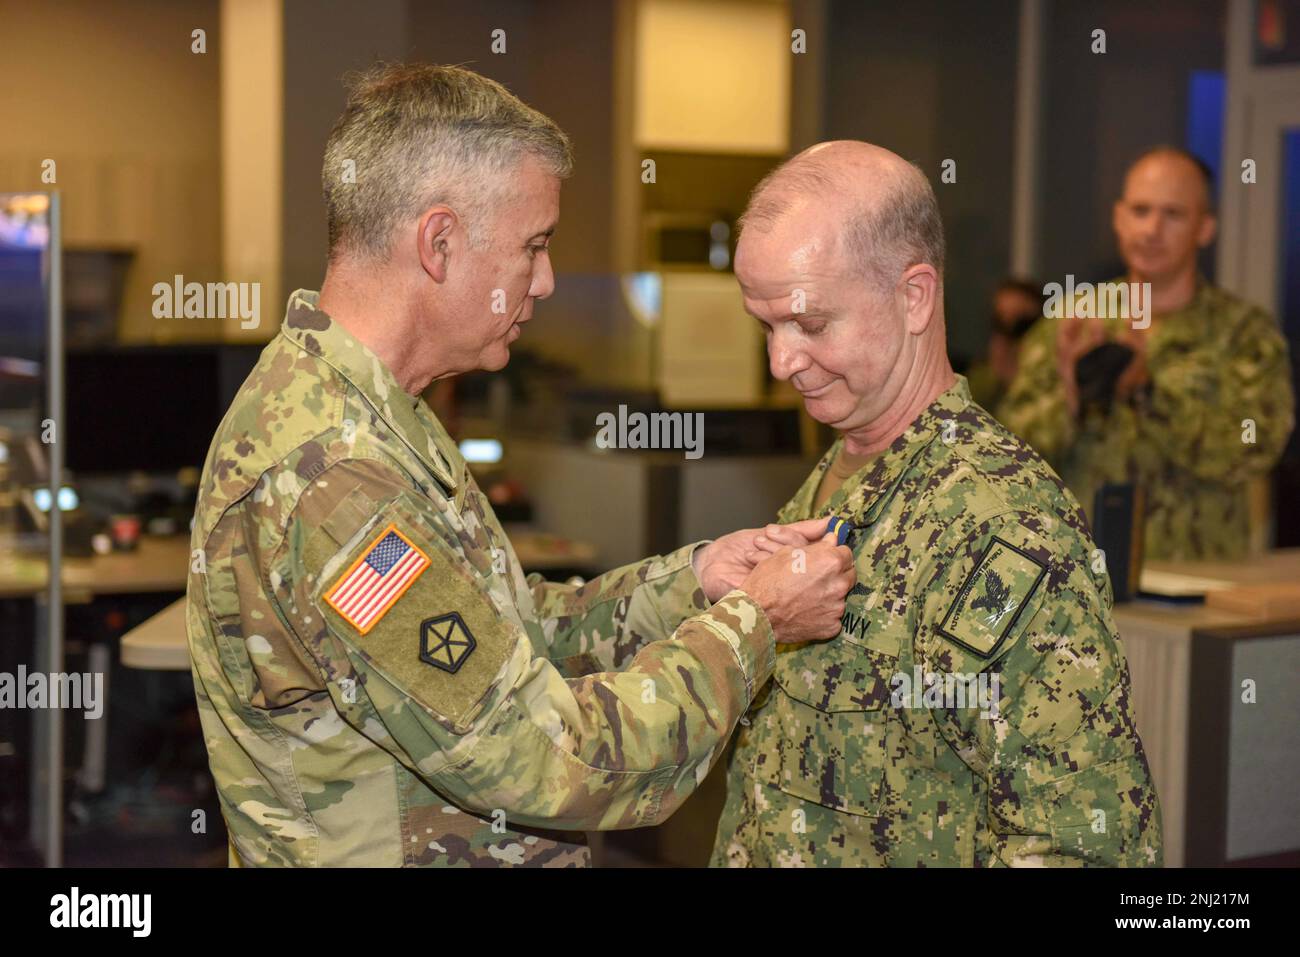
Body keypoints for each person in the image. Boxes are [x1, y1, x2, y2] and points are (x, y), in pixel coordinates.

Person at [185, 63, 855, 867]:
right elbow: (543, 758)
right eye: (532, 245)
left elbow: (494, 635)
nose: (545, 280)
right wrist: (756, 625)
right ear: (439, 243)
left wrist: (697, 580)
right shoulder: (334, 481)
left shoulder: (371, 417)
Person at [710, 140, 1163, 867]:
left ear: (914, 296)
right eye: (767, 325)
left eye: (812, 324)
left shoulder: (1001, 524)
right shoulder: (840, 470)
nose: (780, 362)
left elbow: (1084, 845)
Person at [997, 147, 1294, 560]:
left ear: (1205, 229)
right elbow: (1005, 460)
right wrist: (1069, 399)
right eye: (1140, 210)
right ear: (1119, 218)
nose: (1152, 229)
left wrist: (1150, 395)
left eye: (1173, 214)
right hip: (1077, 581)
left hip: (1195, 577)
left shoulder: (1242, 332)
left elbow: (1255, 449)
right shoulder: (1073, 322)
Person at [965, 278, 1045, 413]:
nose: (1007, 337)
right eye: (1000, 324)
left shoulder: (1054, 387)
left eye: (1021, 326)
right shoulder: (975, 385)